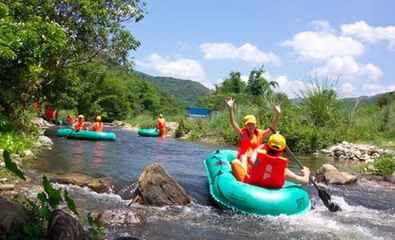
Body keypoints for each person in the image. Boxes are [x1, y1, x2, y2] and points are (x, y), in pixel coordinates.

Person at [232, 133, 311, 188]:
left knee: (235, 162)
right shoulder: (283, 170)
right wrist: (306, 173)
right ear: (282, 151)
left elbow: (251, 159)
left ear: (267, 147)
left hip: (252, 186)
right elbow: (304, 181)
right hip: (272, 194)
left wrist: (259, 148)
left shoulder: (258, 160)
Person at [225, 97, 281, 171]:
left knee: (264, 158)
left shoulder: (260, 134)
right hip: (243, 160)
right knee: (244, 156)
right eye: (249, 124)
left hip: (254, 160)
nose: (251, 126)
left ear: (255, 125)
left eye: (252, 124)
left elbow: (272, 127)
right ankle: (243, 174)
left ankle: (259, 174)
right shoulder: (242, 133)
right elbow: (233, 123)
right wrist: (230, 109)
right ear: (245, 125)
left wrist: (277, 114)